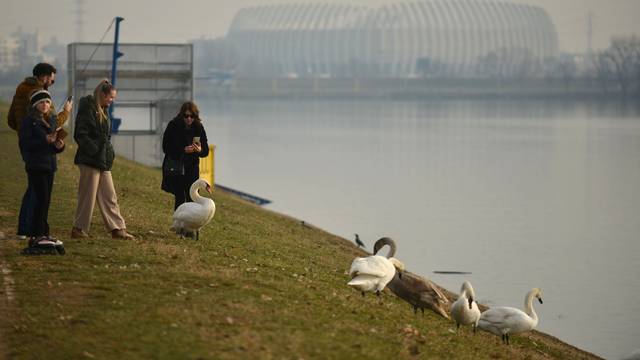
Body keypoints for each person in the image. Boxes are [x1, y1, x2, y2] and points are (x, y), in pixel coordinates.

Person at [8, 63, 72, 239]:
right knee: (38, 192)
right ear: (44, 76)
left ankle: (30, 228)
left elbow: (11, 120)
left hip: (30, 144)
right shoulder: (39, 94)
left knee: (35, 189)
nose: (52, 81)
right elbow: (52, 123)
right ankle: (32, 229)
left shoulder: (21, 88)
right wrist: (66, 112)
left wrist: (24, 131)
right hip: (37, 148)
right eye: (52, 78)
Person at [70, 79, 134, 239]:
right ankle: (78, 229)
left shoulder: (103, 111)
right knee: (88, 196)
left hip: (102, 159)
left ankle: (117, 228)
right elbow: (80, 134)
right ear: (103, 95)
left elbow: (105, 136)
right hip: (90, 159)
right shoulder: (88, 109)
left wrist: (106, 153)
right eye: (111, 97)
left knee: (109, 195)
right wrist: (94, 151)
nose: (112, 101)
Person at [18, 90, 65, 250]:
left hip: (49, 166)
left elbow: (53, 147)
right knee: (40, 199)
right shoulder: (29, 121)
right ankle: (37, 234)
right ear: (34, 105)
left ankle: (43, 233)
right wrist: (44, 140)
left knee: (46, 200)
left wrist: (59, 146)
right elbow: (25, 144)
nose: (45, 105)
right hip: (36, 166)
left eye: (47, 102)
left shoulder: (49, 120)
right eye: (41, 102)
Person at [161, 101, 210, 210]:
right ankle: (179, 224)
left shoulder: (199, 127)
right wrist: (183, 150)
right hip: (176, 167)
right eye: (186, 116)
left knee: (192, 197)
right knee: (180, 198)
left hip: (192, 168)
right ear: (181, 115)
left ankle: (190, 225)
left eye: (192, 116)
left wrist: (199, 150)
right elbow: (165, 147)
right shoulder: (173, 125)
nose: (189, 119)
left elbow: (205, 151)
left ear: (195, 116)